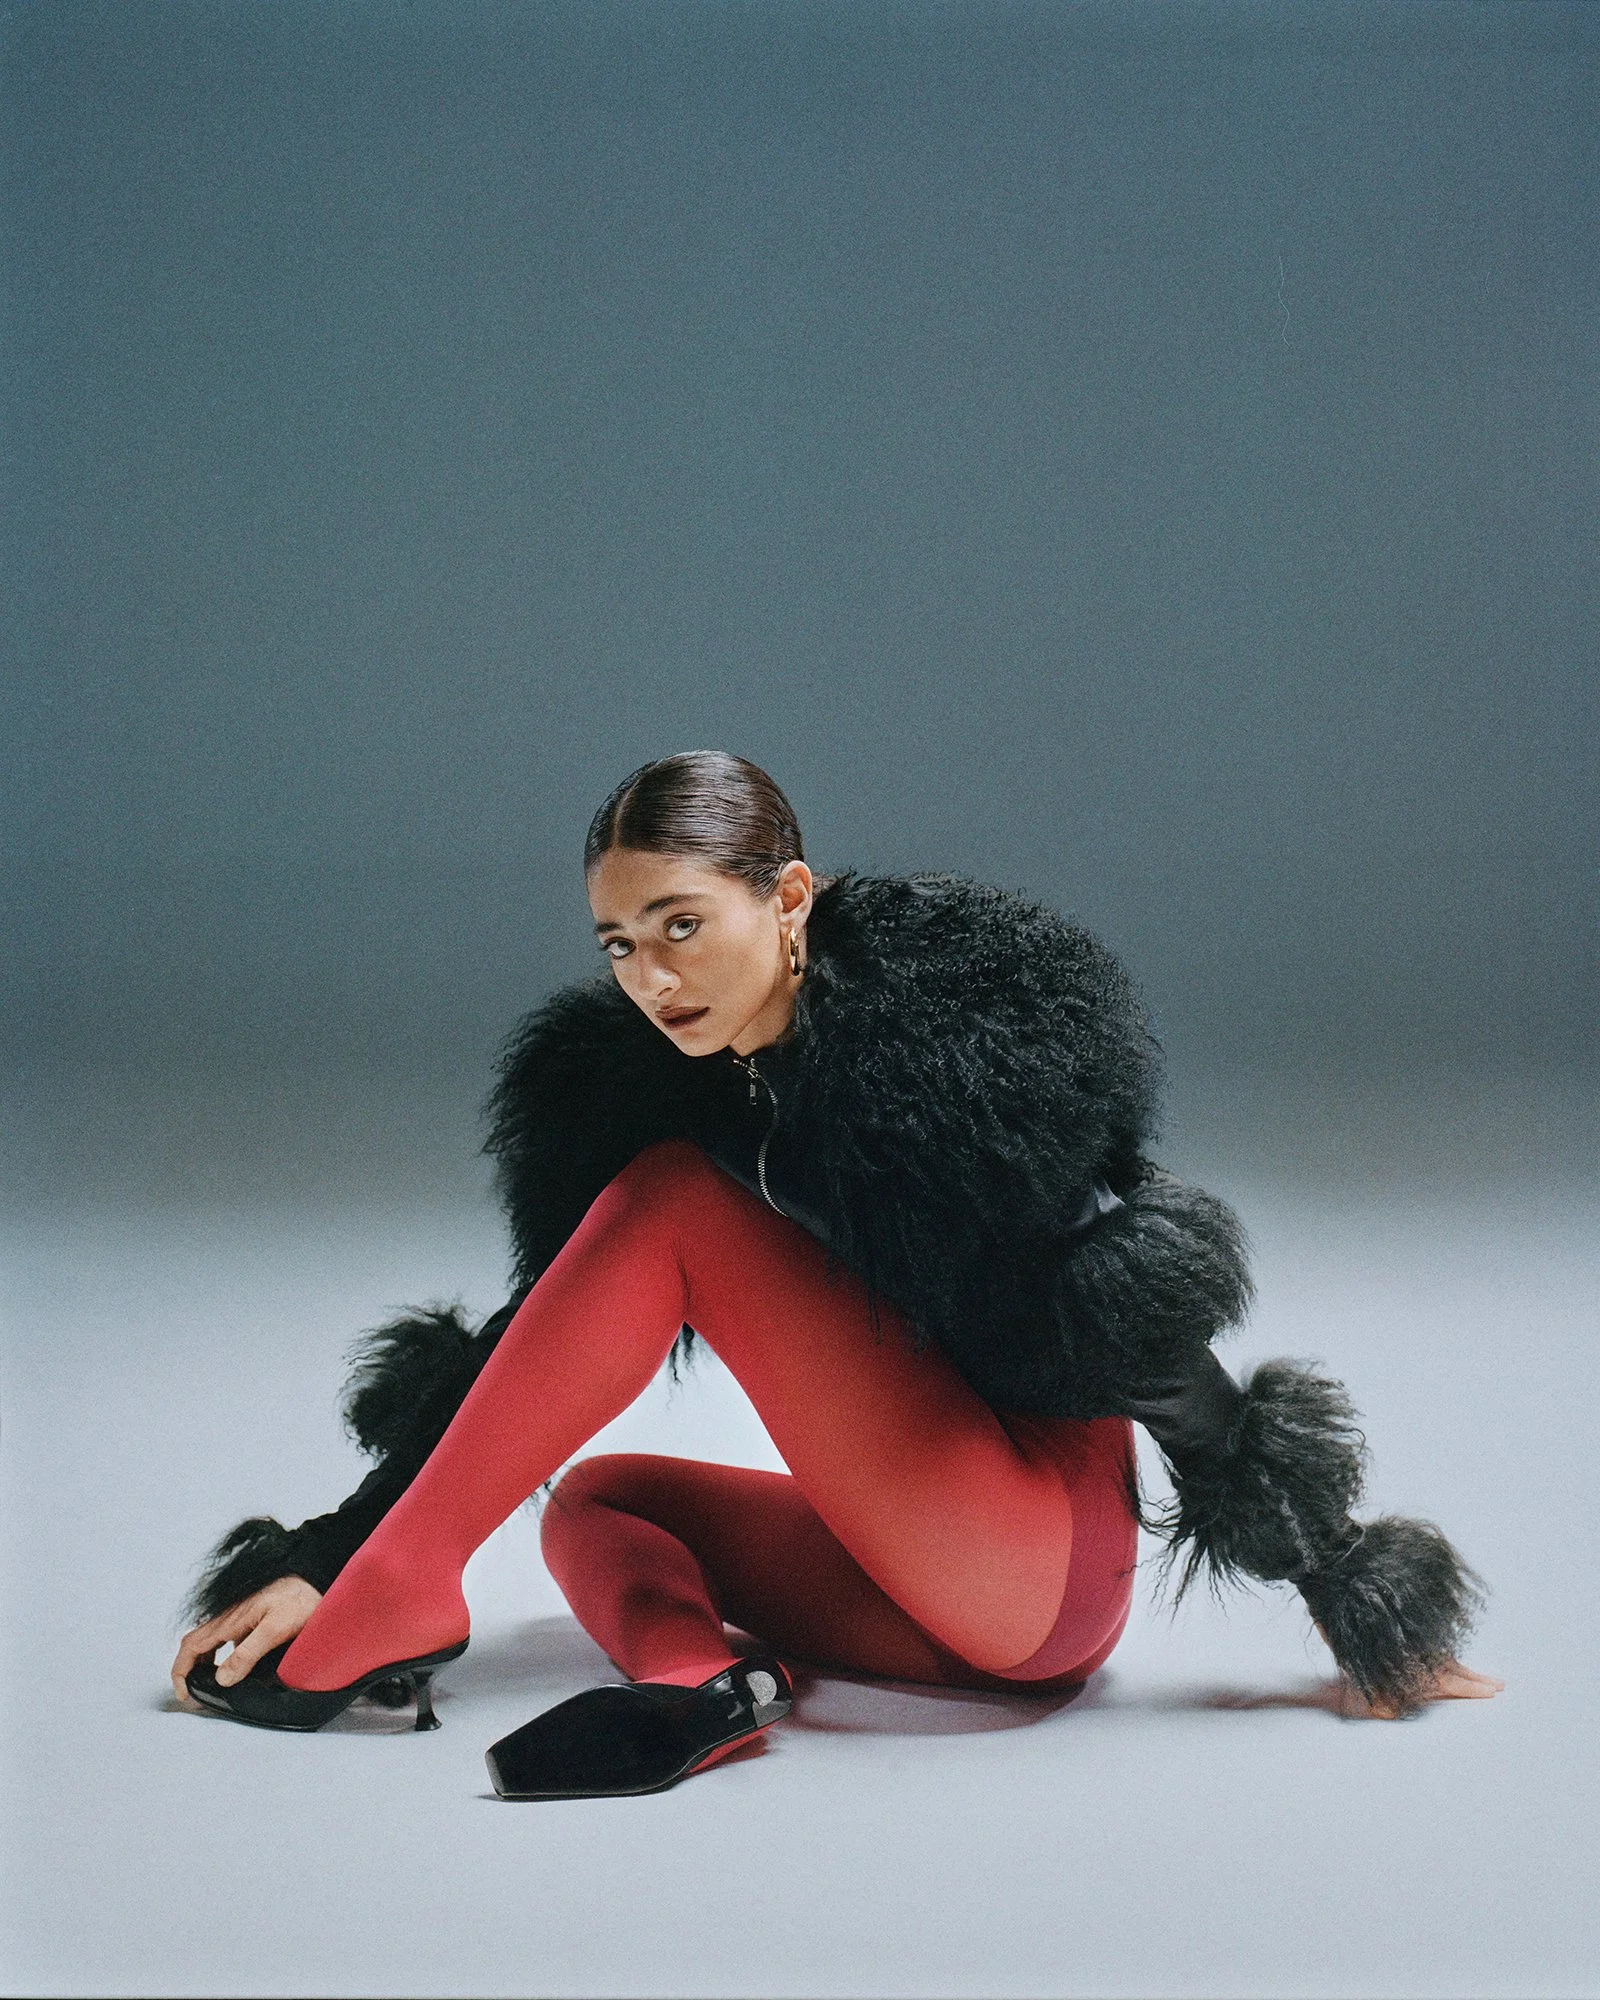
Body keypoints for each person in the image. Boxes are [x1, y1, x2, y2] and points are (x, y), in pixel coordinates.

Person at [171, 751, 1499, 1796]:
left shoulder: (941, 1059)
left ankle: (401, 1595)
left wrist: (1349, 1587)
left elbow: (1141, 1324)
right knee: (598, 1501)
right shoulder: (683, 1085)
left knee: (673, 1202)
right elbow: (540, 1343)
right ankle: (698, 1689)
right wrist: (338, 1541)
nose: (654, 980)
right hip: (933, 1597)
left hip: (1037, 1558)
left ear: (789, 898)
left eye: (683, 925)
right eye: (621, 945)